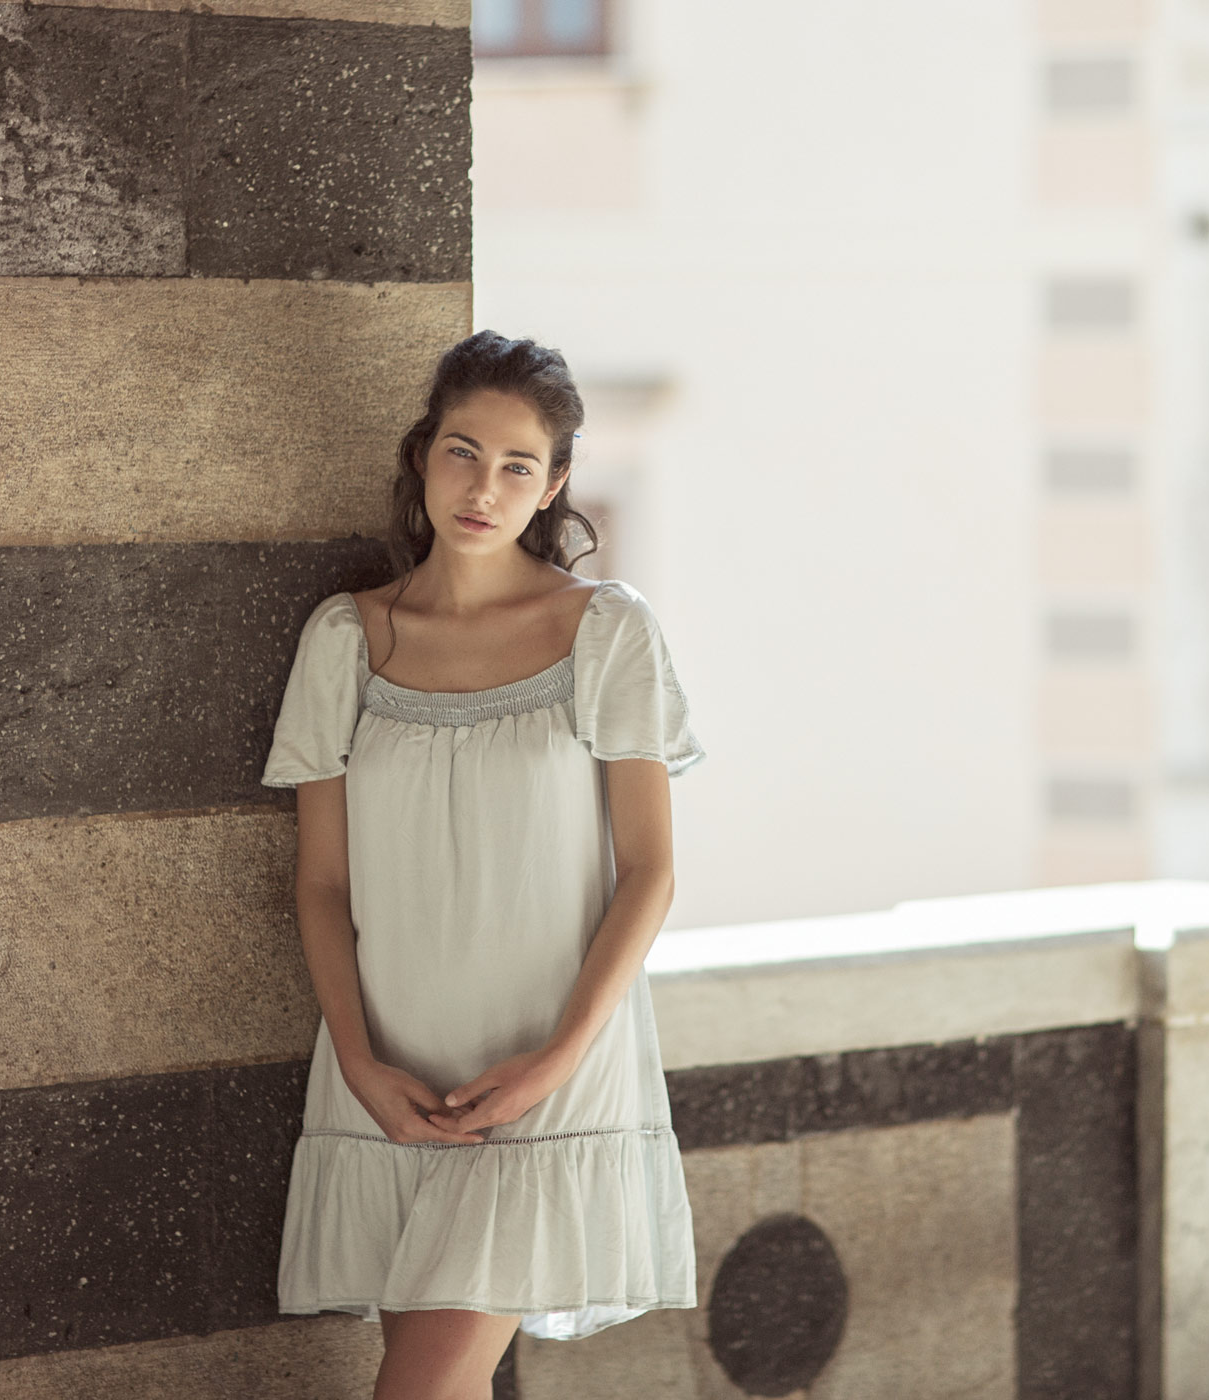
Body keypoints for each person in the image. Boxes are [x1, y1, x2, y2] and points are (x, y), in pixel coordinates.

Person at [258, 331, 703, 1398]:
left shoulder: (607, 631)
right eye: (463, 452)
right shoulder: (347, 638)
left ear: (552, 485)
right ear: (424, 454)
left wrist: (554, 1063)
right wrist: (360, 1063)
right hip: (392, 1073)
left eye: (517, 465)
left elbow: (649, 871)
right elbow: (322, 885)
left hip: (547, 1075)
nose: (483, 488)